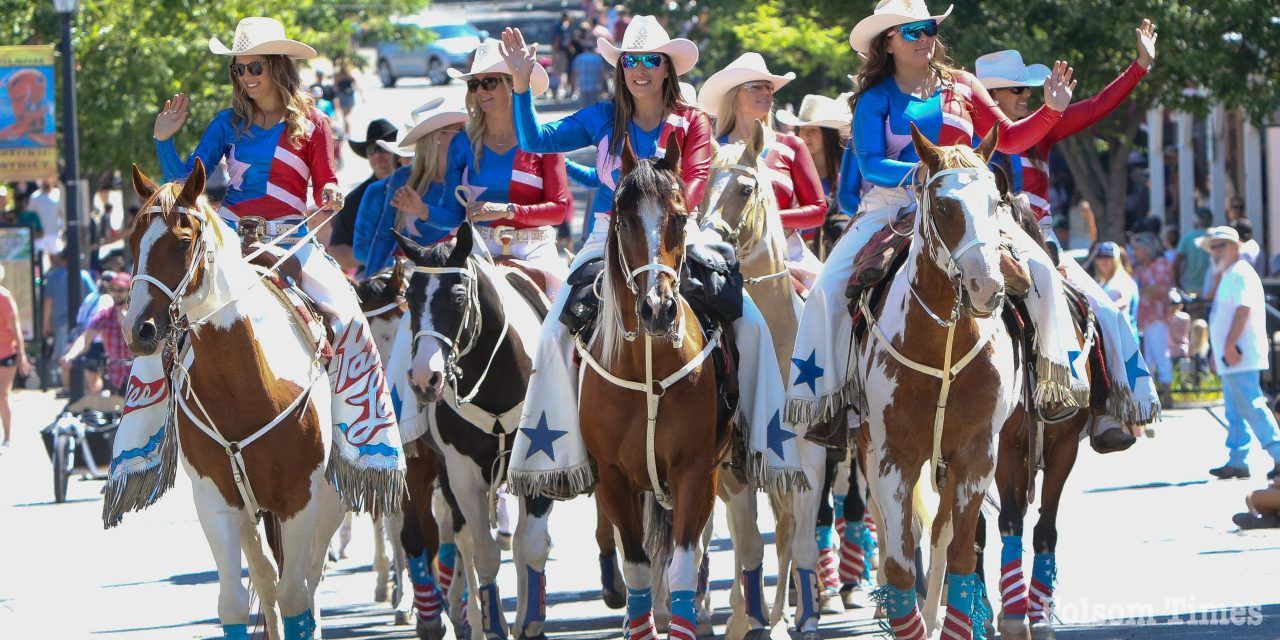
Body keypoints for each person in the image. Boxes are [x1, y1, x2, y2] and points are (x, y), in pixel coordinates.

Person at [499, 18, 797, 631]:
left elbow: (692, 183)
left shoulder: (690, 123)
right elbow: (534, 137)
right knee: (555, 330)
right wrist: (523, 87)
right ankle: (556, 450)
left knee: (748, 323)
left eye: (651, 61)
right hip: (609, 242)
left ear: (667, 67)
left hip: (677, 235)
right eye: (631, 61)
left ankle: (756, 436)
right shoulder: (599, 118)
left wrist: (668, 224)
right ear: (621, 68)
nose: (640, 70)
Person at [139, 18, 398, 556]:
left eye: (254, 66)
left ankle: (365, 443)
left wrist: (329, 193)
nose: (245, 76)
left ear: (279, 66)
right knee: (167, 322)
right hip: (230, 238)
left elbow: (325, 179)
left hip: (291, 237)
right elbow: (190, 183)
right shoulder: (225, 125)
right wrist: (165, 143)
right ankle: (147, 445)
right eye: (238, 68)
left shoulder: (313, 124)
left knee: (349, 318)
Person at [789, 0, 1084, 438]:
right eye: (912, 32)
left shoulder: (963, 85)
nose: (925, 38)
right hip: (894, 206)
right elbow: (870, 165)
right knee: (827, 289)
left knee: (1042, 270)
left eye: (928, 29)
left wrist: (1052, 109)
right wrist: (923, 174)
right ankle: (824, 402)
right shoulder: (875, 98)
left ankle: (1056, 380)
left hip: (968, 206)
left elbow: (1014, 139)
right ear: (887, 42)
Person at [975, 20, 1161, 437]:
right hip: (984, 240)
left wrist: (1139, 67)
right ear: (991, 97)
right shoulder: (964, 136)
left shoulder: (1044, 125)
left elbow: (1097, 106)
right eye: (1018, 90)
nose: (1028, 96)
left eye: (1027, 90)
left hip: (1042, 240)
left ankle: (1109, 410)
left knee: (1107, 311)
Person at [427, 42, 571, 292]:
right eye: (474, 84)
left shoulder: (546, 139)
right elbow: (452, 214)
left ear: (513, 83)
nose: (480, 90)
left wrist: (506, 210)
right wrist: (420, 209)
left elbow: (559, 210)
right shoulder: (462, 142)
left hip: (534, 250)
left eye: (489, 82)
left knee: (563, 321)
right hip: (478, 247)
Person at [700, 52, 826, 289]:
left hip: (786, 252)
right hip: (721, 252)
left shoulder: (790, 146)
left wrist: (767, 219)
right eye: (756, 87)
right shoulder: (712, 151)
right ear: (733, 95)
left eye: (769, 87)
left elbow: (818, 211)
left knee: (829, 302)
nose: (767, 92)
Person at [1199, 226, 1280, 481]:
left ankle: (1278, 454)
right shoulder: (1232, 273)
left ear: (1235, 247)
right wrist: (1221, 349)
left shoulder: (1239, 273)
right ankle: (1237, 460)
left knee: (1252, 405)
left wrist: (1229, 345)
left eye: (1220, 245)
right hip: (1233, 353)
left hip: (1239, 352)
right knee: (1236, 409)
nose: (1215, 250)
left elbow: (1243, 310)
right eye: (1213, 246)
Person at [356, 99, 467, 273]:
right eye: (461, 130)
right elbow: (385, 236)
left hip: (456, 275)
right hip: (412, 278)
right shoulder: (402, 177)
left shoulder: (469, 174)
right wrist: (370, 282)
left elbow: (456, 219)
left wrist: (421, 210)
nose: (469, 134)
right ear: (437, 136)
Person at [777, 93, 855, 259]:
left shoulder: (845, 181)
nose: (805, 136)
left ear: (828, 135)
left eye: (813, 130)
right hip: (792, 254)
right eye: (802, 130)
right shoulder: (788, 176)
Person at [333, 118, 400, 271]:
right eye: (372, 150)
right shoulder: (354, 200)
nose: (377, 155)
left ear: (397, 150)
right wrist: (386, 262)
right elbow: (337, 252)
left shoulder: (420, 188)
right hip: (374, 283)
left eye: (383, 148)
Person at [60, 272, 132, 395]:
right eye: (112, 289)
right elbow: (85, 337)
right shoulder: (105, 315)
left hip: (137, 376)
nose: (116, 294)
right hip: (115, 377)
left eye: (120, 290)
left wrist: (125, 319)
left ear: (130, 291)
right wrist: (70, 355)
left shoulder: (138, 315)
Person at [42, 249, 96, 384]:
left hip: (61, 322)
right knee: (81, 354)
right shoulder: (83, 275)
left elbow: (48, 302)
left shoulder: (54, 276)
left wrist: (45, 323)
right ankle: (82, 386)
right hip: (83, 324)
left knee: (63, 355)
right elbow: (94, 297)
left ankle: (66, 387)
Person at [1131, 232, 1174, 402]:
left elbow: (1161, 290)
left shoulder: (1161, 264)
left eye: (1139, 249)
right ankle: (1151, 396)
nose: (1136, 253)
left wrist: (1143, 290)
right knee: (1147, 358)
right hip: (1143, 317)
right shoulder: (1139, 268)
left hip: (1157, 316)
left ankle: (1168, 393)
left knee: (1161, 354)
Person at [0, 264, 30, 449]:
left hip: (5, 352)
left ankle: (7, 437)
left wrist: (22, 355)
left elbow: (16, 327)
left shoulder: (4, 297)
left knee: (2, 394)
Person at [1093, 241, 1138, 332]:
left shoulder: (1124, 280)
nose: (1103, 261)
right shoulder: (1102, 283)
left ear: (1116, 259)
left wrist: (1102, 309)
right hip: (1109, 335)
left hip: (1126, 337)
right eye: (1100, 257)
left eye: (1107, 256)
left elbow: (1125, 302)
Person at [1175, 208, 1213, 297]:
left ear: (1197, 219)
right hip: (1213, 287)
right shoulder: (1216, 238)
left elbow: (1176, 264)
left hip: (1191, 288)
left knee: (1193, 311)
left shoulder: (1187, 237)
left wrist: (1178, 285)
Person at [29, 178, 64, 261]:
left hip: (54, 233)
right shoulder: (34, 196)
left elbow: (62, 213)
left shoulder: (57, 194)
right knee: (39, 259)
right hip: (39, 234)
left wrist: (62, 229)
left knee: (54, 258)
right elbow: (30, 214)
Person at [333, 61, 361, 134]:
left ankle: (347, 133)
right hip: (350, 96)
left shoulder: (338, 75)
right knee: (347, 116)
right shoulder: (350, 75)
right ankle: (347, 133)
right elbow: (356, 85)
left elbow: (335, 87)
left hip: (342, 96)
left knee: (345, 117)